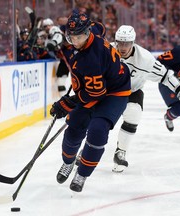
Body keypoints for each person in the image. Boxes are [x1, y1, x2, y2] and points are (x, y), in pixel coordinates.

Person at [49, 12, 131, 192]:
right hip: (96, 86)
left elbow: (96, 93)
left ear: (87, 33)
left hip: (114, 93)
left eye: (79, 37)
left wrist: (68, 102)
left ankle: (82, 173)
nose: (75, 41)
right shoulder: (92, 30)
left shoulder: (91, 59)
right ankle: (68, 163)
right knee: (74, 129)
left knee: (97, 130)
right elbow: (100, 27)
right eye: (72, 37)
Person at [110, 25, 180, 172]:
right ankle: (88, 147)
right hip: (109, 91)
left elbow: (166, 76)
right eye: (120, 43)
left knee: (134, 114)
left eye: (126, 43)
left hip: (132, 90)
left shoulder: (145, 59)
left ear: (133, 42)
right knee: (97, 119)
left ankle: (120, 152)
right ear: (115, 41)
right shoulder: (106, 52)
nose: (123, 47)